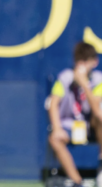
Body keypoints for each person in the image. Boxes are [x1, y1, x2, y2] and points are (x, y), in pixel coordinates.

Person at [48, 42, 102, 187]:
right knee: (54, 138)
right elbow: (53, 104)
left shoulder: (98, 80)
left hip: (91, 126)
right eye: (79, 61)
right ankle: (78, 182)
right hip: (69, 125)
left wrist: (84, 84)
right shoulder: (65, 78)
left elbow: (97, 111)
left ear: (94, 62)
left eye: (86, 61)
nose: (82, 66)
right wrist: (58, 128)